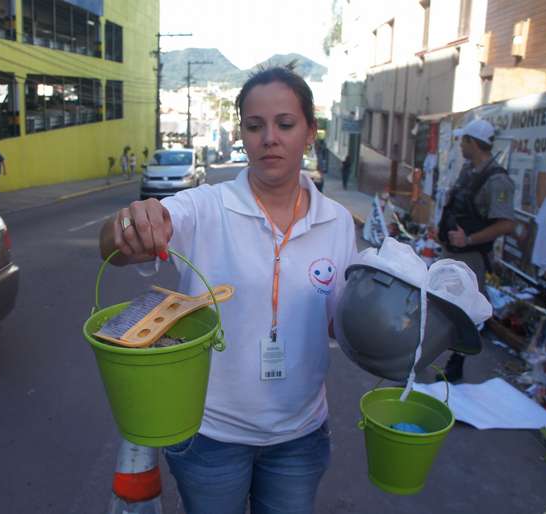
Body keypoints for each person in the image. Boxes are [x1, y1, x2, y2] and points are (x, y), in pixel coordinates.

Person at [98, 66, 357, 513]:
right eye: (255, 126)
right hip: (210, 437)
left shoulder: (337, 222)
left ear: (310, 132)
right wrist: (131, 223)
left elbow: (340, 323)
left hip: (300, 436)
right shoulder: (205, 206)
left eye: (285, 124)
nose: (269, 138)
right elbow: (113, 246)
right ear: (243, 133)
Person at [437, 118, 516, 382]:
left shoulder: (498, 181)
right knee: (438, 305)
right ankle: (427, 356)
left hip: (471, 256)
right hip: (452, 253)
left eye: (463, 140)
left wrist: (469, 239)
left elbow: (506, 224)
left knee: (464, 312)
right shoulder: (469, 171)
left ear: (474, 143)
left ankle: (455, 364)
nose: (460, 145)